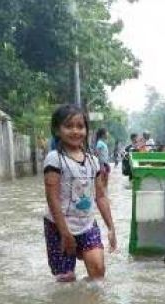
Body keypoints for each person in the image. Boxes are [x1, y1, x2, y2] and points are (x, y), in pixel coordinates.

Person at [43, 104, 116, 282]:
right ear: (57, 130)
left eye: (80, 126)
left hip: (87, 224)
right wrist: (65, 233)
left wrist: (111, 227)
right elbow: (52, 198)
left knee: (98, 271)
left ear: (86, 130)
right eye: (69, 126)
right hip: (58, 226)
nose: (75, 131)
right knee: (66, 279)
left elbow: (100, 196)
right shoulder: (54, 158)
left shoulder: (93, 161)